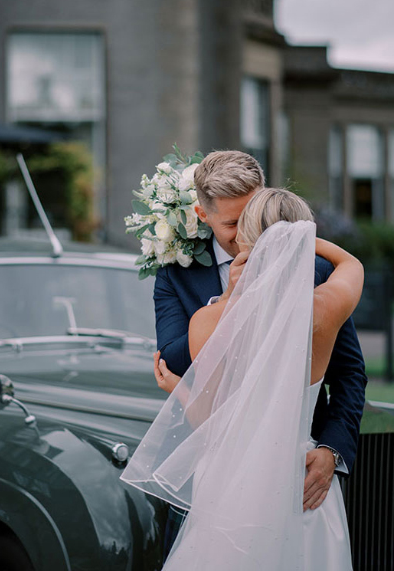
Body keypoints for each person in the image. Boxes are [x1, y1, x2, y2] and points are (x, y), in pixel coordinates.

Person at [123, 188, 363, 569]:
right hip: (299, 482)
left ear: (247, 242)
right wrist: (298, 240)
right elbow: (352, 264)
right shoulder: (327, 307)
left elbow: (208, 421)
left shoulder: (207, 322)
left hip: (229, 481)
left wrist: (181, 390)